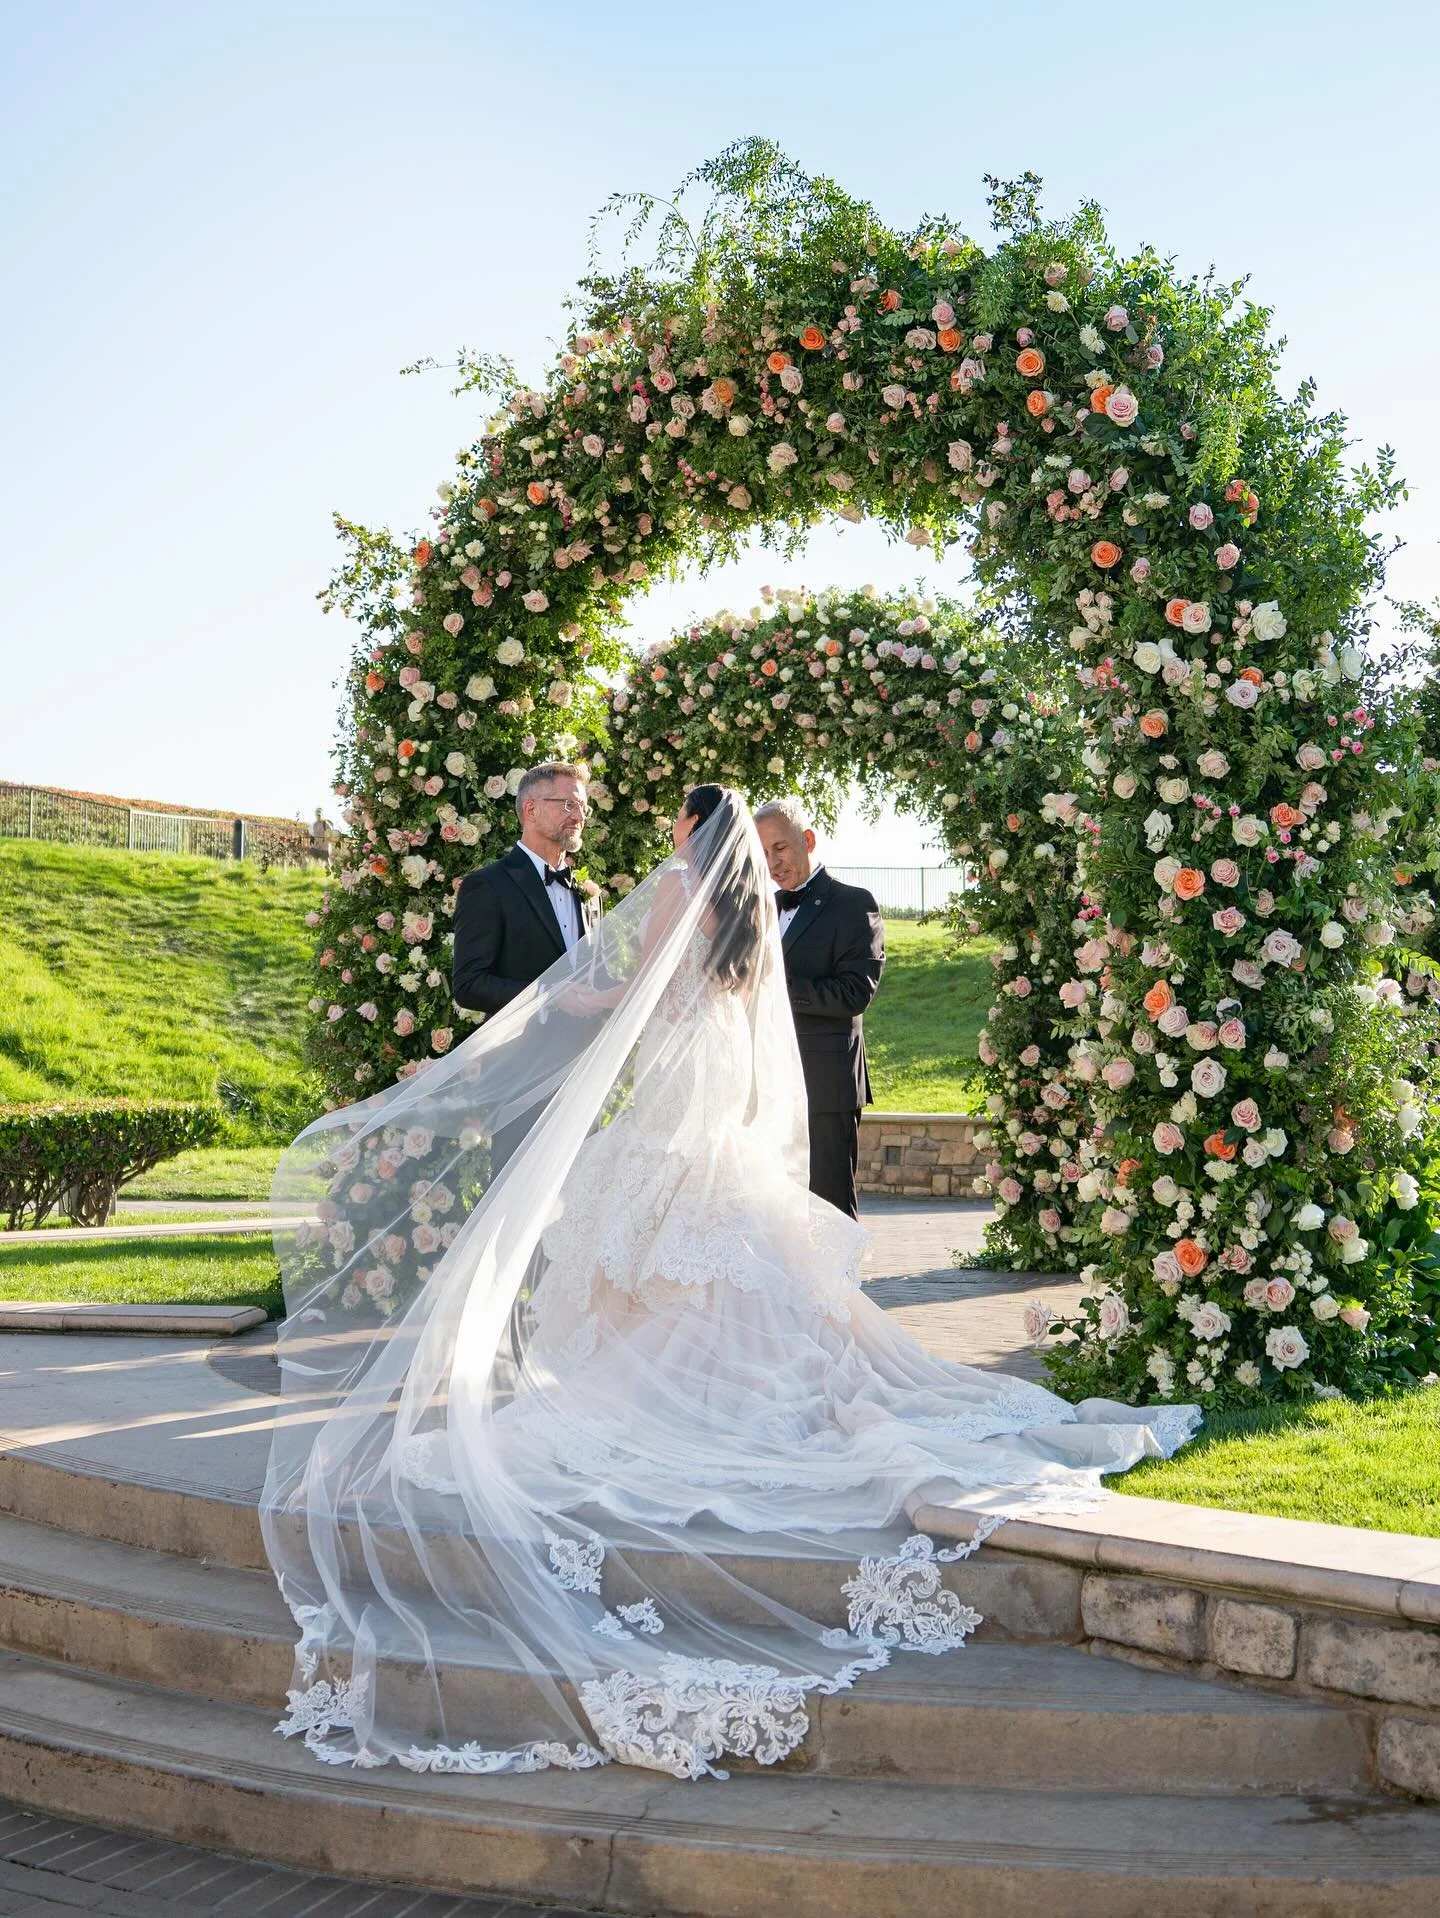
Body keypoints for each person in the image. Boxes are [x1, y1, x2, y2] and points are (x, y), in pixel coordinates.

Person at [263, 787, 1199, 1785]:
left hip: (675, 1083)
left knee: (652, 1245)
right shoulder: (750, 905)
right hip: (720, 1089)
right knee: (703, 1247)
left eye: (673, 820)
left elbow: (650, 991)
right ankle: (719, 1379)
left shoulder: (677, 885)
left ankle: (665, 1394)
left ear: (687, 833)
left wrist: (585, 1000)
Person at [754, 797, 884, 1219]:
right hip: (769, 1084)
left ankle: (840, 1286)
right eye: (763, 853)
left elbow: (855, 992)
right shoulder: (762, 911)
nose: (773, 862)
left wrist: (775, 988)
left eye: (780, 847)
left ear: (807, 840)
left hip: (825, 1086)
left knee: (829, 1210)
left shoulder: (853, 903)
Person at [452, 761, 600, 1019]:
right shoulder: (487, 886)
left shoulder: (584, 891)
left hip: (587, 1053)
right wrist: (546, 994)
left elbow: (595, 975)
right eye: (568, 804)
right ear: (531, 809)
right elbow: (468, 985)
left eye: (582, 807)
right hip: (520, 1053)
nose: (579, 817)